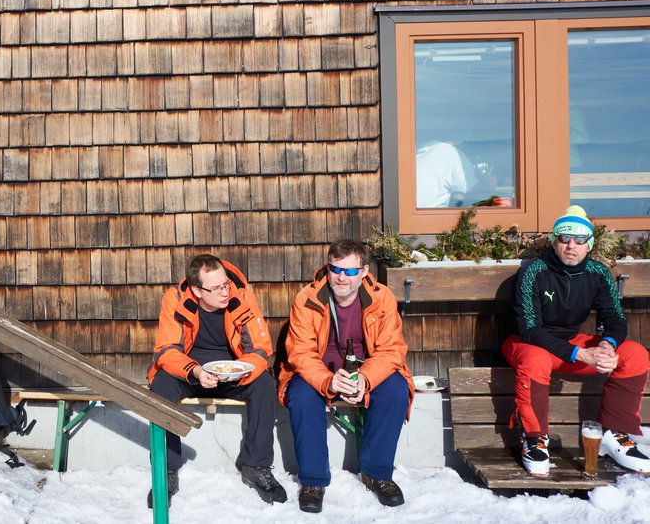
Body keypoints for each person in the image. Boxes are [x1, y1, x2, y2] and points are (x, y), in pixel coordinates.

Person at [502, 205, 650, 476]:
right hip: (530, 343)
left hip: (571, 343)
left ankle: (615, 433)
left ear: (589, 244)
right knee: (534, 358)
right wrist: (580, 354)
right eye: (564, 238)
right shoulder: (534, 271)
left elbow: (615, 318)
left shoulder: (598, 272)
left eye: (580, 240)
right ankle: (534, 438)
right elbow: (530, 329)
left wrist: (607, 344)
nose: (572, 245)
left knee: (635, 353)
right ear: (554, 240)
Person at [278, 239, 413, 513]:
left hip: (366, 368)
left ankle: (378, 472)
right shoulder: (307, 299)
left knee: (396, 390)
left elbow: (391, 350)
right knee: (301, 395)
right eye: (336, 269)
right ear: (327, 268)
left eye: (350, 271)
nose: (342, 277)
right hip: (320, 368)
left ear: (363, 272)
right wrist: (327, 380)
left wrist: (366, 378)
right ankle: (313, 480)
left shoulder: (381, 297)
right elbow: (300, 353)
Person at [147, 254, 287, 507]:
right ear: (197, 290)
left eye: (225, 285)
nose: (225, 292)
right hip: (192, 371)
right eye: (216, 288)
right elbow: (166, 350)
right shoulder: (176, 299)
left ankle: (257, 465)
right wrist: (196, 371)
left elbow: (260, 349)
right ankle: (166, 470)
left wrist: (242, 369)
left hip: (233, 370)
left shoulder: (241, 295)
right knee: (161, 384)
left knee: (265, 384)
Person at [415, 141, 479, 207]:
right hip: (420, 214)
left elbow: (472, 193)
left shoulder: (444, 153)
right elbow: (474, 191)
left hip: (421, 214)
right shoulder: (450, 153)